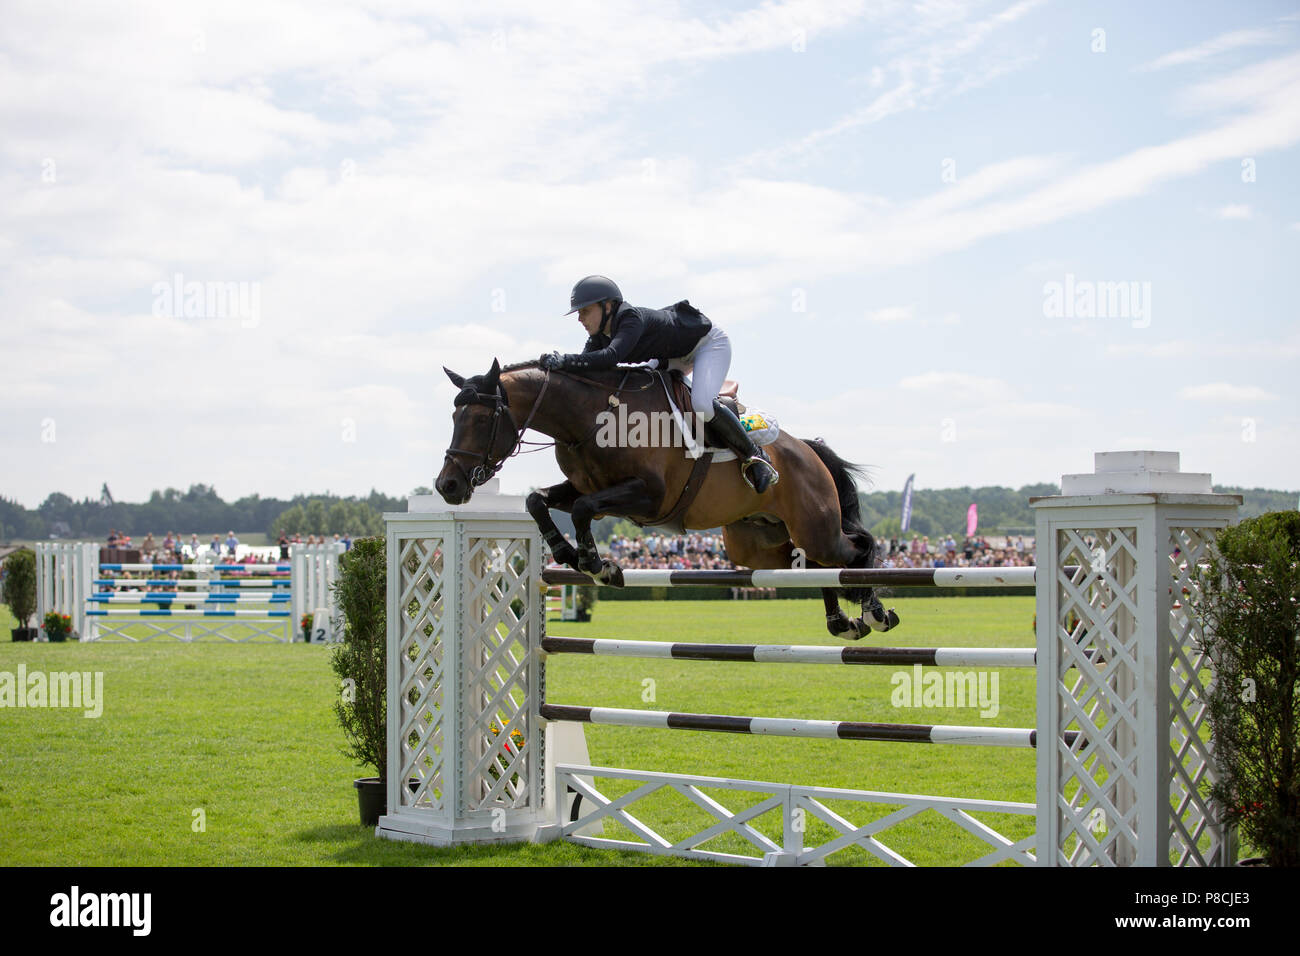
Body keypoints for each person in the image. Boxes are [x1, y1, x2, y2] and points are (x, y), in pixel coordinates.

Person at [538, 275, 778, 493]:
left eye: (585, 311)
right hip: (671, 355)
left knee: (702, 404)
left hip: (707, 344)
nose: (580, 318)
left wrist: (564, 360)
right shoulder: (599, 336)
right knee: (641, 386)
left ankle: (756, 458)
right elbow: (591, 371)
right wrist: (558, 368)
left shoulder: (629, 318)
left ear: (607, 306)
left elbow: (610, 358)